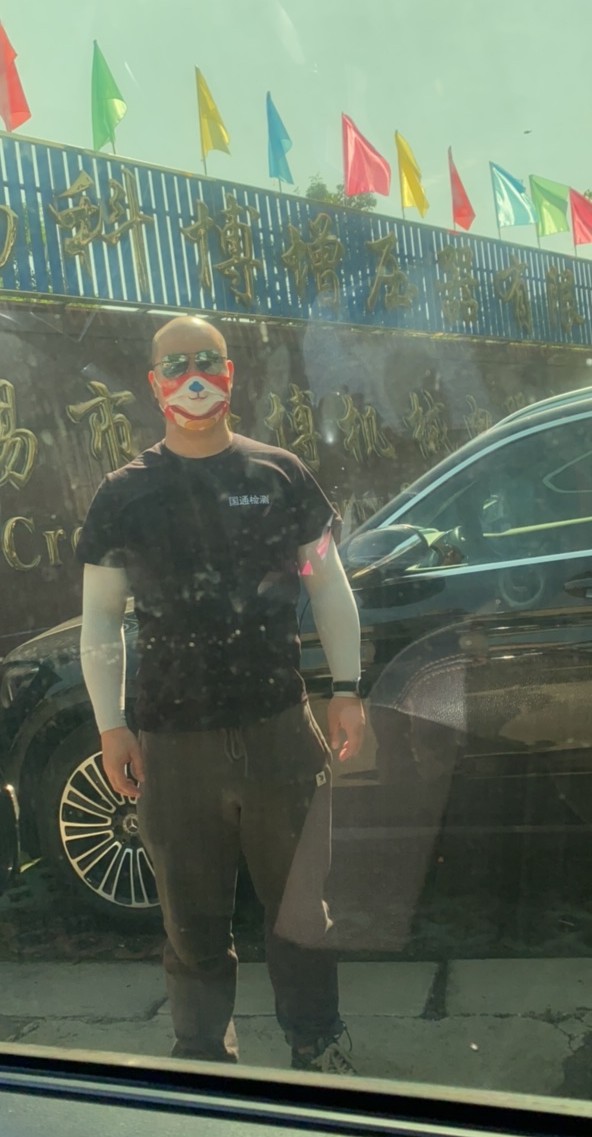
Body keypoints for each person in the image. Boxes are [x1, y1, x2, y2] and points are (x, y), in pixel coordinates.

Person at [76, 315, 366, 1074]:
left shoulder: (280, 474)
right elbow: (100, 619)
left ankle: (316, 1045)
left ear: (230, 373)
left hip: (279, 730)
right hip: (173, 747)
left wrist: (347, 689)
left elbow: (328, 586)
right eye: (175, 365)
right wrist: (111, 725)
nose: (193, 377)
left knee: (302, 914)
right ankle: (201, 1063)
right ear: (154, 383)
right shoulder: (124, 495)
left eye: (207, 360)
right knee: (192, 928)